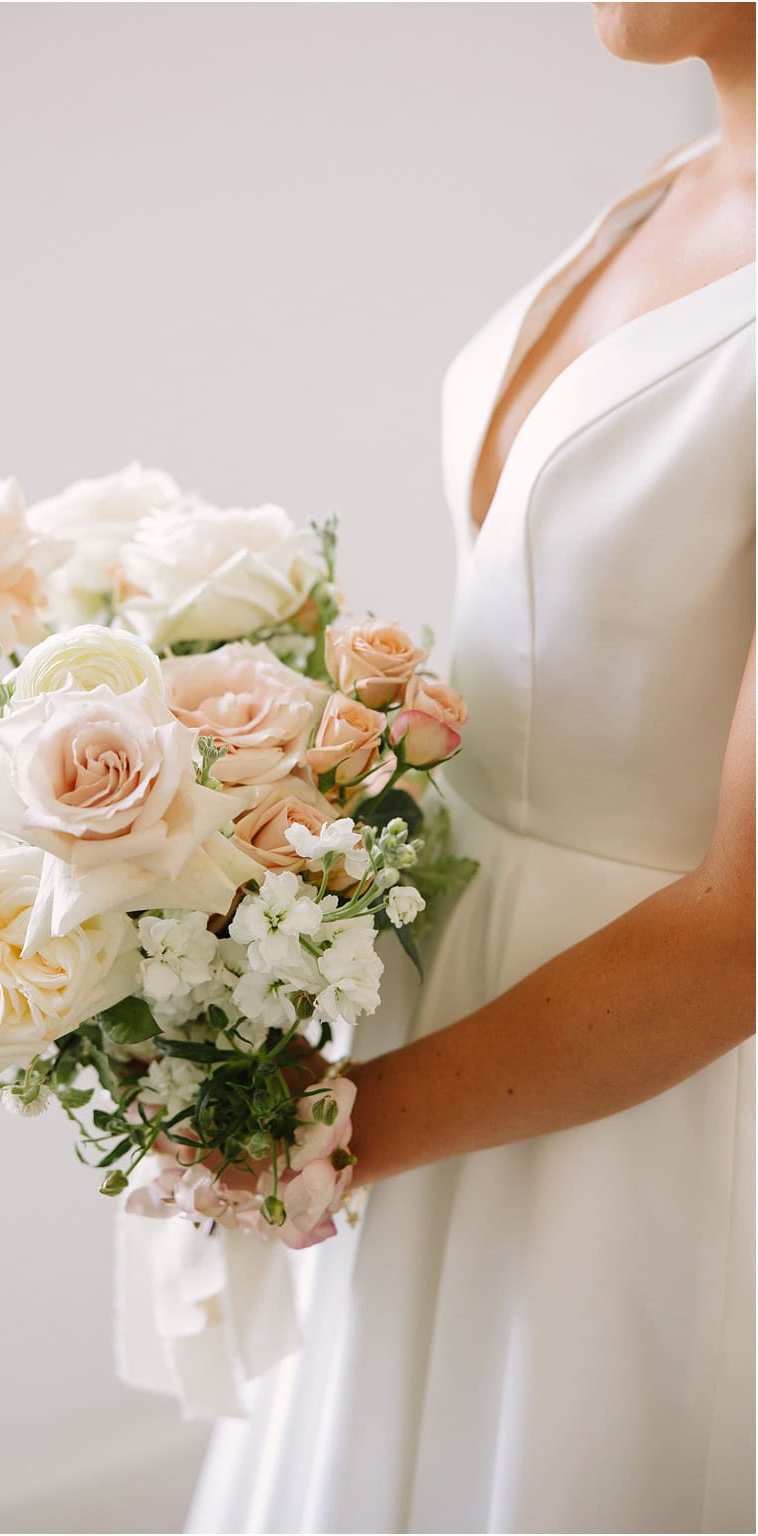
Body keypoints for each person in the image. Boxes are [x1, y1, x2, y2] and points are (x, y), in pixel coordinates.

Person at [185, 5, 755, 1530]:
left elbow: (746, 934)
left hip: (646, 1093)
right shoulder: (664, 187)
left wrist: (335, 1130)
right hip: (446, 988)